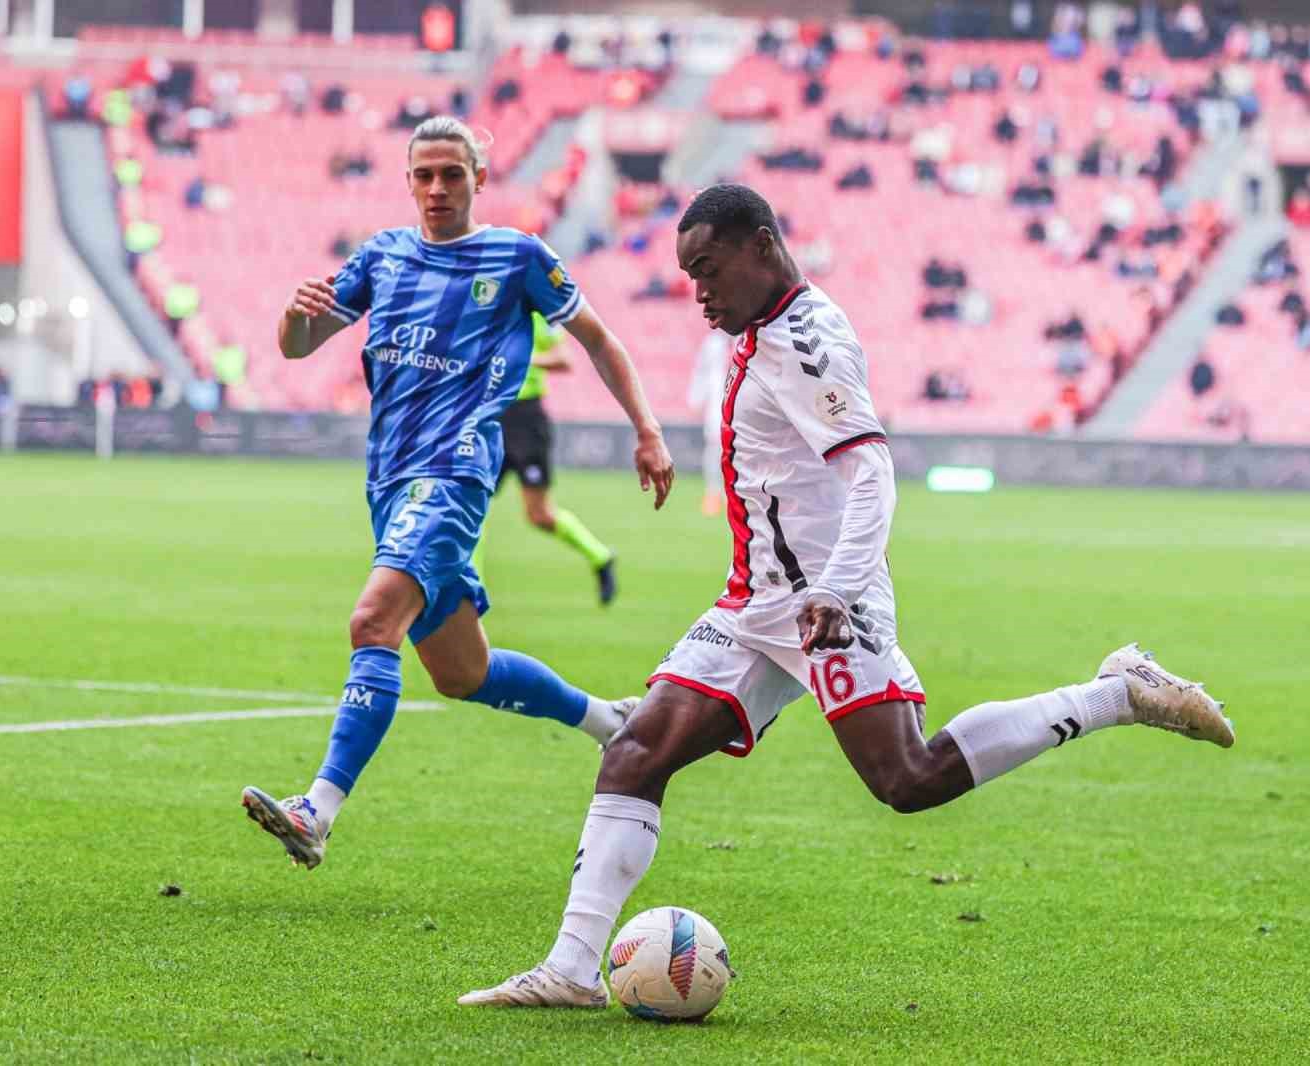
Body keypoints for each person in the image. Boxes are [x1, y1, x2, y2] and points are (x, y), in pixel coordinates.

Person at [458, 183, 1233, 1009]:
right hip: (758, 604)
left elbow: (871, 475)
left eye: (709, 270)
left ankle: (1118, 691)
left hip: (827, 603)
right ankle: (574, 967)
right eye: (689, 276)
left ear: (762, 245)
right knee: (637, 753)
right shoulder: (764, 326)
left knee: (909, 777)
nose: (699, 293)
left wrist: (836, 585)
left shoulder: (803, 342)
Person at [241, 117, 677, 870]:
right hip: (389, 482)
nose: (437, 188)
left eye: (452, 173)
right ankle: (609, 723)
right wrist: (292, 315)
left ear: (480, 176)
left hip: (456, 472)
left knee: (372, 621)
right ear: (408, 180)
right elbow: (299, 344)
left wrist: (647, 428)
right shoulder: (381, 258)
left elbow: (600, 340)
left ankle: (318, 810)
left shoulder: (516, 258)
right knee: (460, 672)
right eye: (423, 175)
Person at [494, 312, 620, 605]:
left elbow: (564, 358)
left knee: (539, 514)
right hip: (492, 417)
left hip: (526, 420)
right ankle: (472, 592)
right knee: (471, 506)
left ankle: (600, 556)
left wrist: (523, 360)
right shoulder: (488, 306)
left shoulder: (538, 315)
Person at [688, 329, 730, 517]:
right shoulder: (713, 343)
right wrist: (696, 397)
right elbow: (702, 370)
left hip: (743, 401)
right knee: (715, 447)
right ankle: (713, 493)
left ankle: (735, 495)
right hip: (717, 401)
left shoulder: (750, 335)